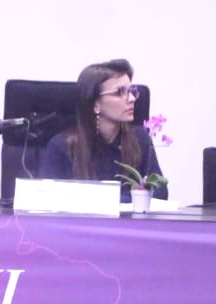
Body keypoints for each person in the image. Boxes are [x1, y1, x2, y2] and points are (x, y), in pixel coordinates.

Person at [39, 58, 167, 201]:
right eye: (120, 92)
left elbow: (160, 193)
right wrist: (131, 198)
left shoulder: (139, 139)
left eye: (131, 91)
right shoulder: (63, 146)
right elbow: (47, 199)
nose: (131, 98)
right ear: (96, 105)